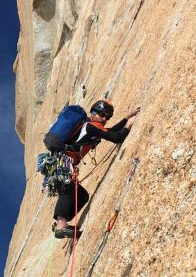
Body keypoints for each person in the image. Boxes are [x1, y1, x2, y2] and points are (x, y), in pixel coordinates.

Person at [53, 99, 140, 239]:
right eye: (102, 115)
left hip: (62, 162)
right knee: (68, 187)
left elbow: (110, 132)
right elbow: (117, 137)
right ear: (93, 113)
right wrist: (129, 126)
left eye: (107, 117)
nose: (105, 119)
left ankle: (62, 224)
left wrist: (126, 117)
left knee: (81, 195)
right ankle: (60, 227)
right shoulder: (90, 127)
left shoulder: (90, 127)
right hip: (62, 162)